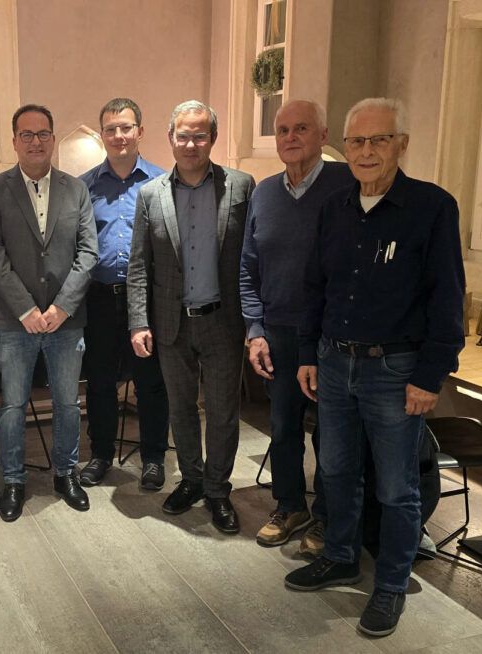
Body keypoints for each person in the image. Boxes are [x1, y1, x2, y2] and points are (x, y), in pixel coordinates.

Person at [285, 98, 465, 638]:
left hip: (395, 369)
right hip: (333, 361)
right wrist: (307, 354)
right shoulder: (334, 208)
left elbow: (447, 297)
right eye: (357, 141)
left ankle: (390, 582)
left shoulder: (432, 208)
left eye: (379, 140)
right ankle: (340, 556)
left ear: (401, 144)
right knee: (336, 471)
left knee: (397, 486)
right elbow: (315, 287)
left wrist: (430, 375)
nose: (366, 152)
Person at [128, 100, 255, 534]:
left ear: (212, 139)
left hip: (223, 321)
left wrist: (255, 321)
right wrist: (138, 322)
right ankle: (191, 479)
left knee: (222, 412)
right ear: (170, 138)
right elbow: (139, 265)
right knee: (180, 409)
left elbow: (252, 258)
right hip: (171, 323)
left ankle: (218, 490)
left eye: (200, 136)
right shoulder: (151, 195)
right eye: (183, 135)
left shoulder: (241, 187)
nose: (191, 144)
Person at [239, 100, 354, 555]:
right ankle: (290, 506)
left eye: (301, 128)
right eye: (283, 130)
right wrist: (255, 329)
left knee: (331, 432)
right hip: (278, 332)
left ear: (323, 135)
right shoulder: (264, 193)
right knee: (283, 426)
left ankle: (326, 515)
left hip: (330, 335)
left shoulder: (347, 184)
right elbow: (248, 267)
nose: (290, 137)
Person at [0, 104, 98, 522]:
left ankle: (66, 473)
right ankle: (13, 480)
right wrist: (25, 308)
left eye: (43, 133)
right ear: (14, 141)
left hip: (66, 321)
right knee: (13, 405)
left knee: (68, 403)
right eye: (26, 134)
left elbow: (88, 252)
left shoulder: (75, 189)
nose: (35, 141)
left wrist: (63, 306)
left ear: (53, 139)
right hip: (14, 322)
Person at [77, 98, 169, 490]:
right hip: (98, 297)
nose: (119, 135)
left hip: (145, 299)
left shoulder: (162, 183)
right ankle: (100, 454)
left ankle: (154, 458)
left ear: (140, 132)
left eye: (126, 127)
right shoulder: (83, 187)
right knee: (99, 381)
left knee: (150, 381)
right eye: (111, 129)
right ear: (102, 135)